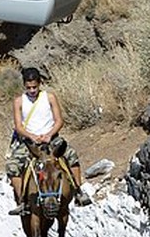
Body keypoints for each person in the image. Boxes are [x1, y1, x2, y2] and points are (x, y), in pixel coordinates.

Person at [5, 67, 92, 216]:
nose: (32, 90)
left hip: (51, 138)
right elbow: (18, 126)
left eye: (34, 87)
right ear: (24, 86)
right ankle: (22, 202)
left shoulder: (50, 97)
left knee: (71, 155)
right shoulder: (19, 101)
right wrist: (31, 136)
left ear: (40, 84)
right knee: (12, 165)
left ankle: (78, 191)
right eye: (29, 87)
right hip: (30, 142)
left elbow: (59, 121)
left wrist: (49, 134)